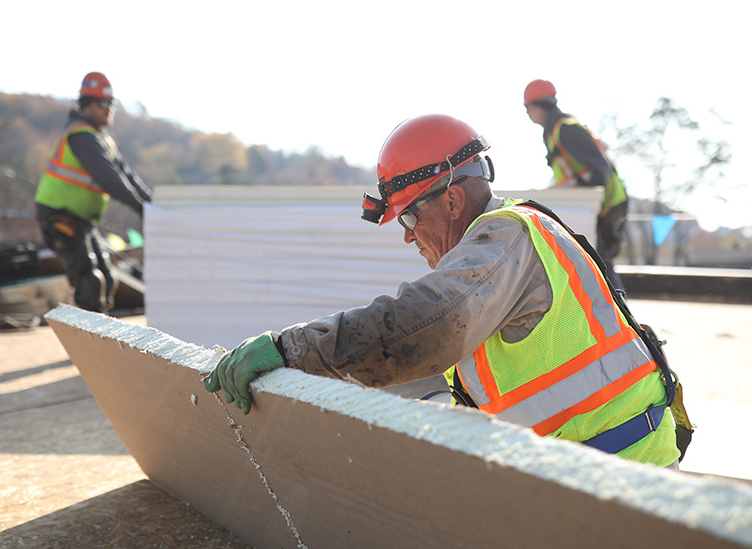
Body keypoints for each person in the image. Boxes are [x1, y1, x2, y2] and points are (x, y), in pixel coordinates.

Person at [205, 114, 692, 467]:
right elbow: (412, 366)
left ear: (454, 198)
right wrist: (308, 382)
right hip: (592, 471)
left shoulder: (506, 236)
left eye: (411, 216)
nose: (407, 235)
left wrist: (291, 349)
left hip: (625, 474)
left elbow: (426, 325)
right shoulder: (500, 257)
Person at [34, 72, 152, 312]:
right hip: (59, 216)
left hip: (81, 220)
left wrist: (154, 206)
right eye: (102, 104)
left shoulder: (103, 139)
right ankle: (89, 345)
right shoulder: (81, 135)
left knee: (107, 277)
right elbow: (110, 179)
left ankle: (100, 340)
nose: (108, 109)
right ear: (87, 105)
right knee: (89, 280)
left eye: (111, 104)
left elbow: (128, 176)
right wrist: (142, 209)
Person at [523, 79, 629, 291]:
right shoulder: (554, 131)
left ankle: (623, 318)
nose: (527, 114)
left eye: (527, 108)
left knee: (601, 263)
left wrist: (593, 208)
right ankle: (620, 316)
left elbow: (600, 168)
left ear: (537, 106)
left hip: (606, 204)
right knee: (599, 263)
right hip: (597, 205)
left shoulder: (565, 129)